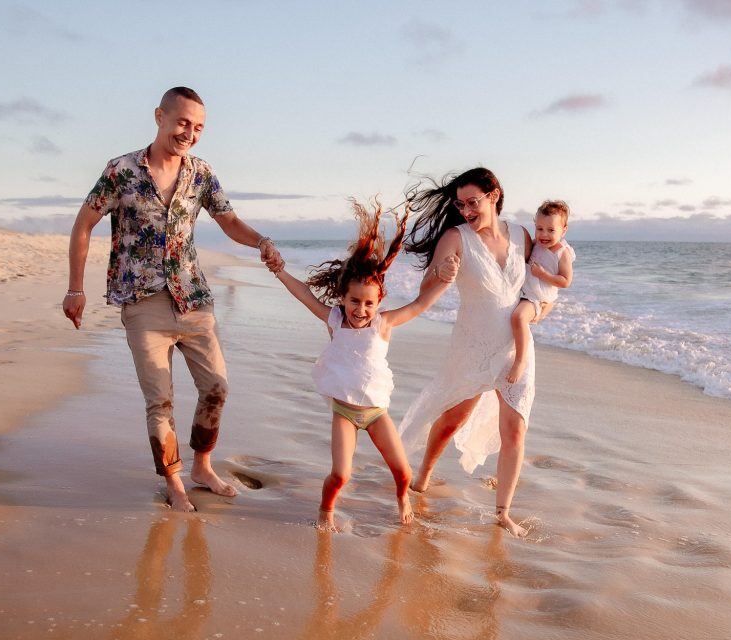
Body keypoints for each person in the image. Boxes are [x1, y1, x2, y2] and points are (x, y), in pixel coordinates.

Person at [62, 86, 284, 512]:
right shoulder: (121, 170)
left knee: (216, 387)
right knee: (159, 400)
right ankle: (174, 480)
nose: (190, 133)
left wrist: (262, 242)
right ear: (159, 116)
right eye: (183, 122)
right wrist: (76, 288)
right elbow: (83, 224)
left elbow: (229, 221)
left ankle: (202, 466)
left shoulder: (201, 173)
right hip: (143, 302)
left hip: (193, 299)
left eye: (198, 127)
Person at [273, 198, 458, 531]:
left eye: (369, 303)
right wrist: (279, 271)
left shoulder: (383, 324)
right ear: (342, 297)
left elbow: (419, 305)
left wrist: (444, 281)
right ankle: (326, 508)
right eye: (354, 301)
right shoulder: (333, 320)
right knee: (340, 474)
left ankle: (402, 498)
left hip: (376, 412)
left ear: (379, 302)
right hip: (344, 412)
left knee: (403, 472)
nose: (361, 309)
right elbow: (303, 294)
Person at [399, 167, 550, 537]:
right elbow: (426, 288)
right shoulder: (456, 237)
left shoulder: (522, 236)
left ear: (494, 195)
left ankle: (503, 513)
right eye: (461, 204)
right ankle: (423, 477)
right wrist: (443, 272)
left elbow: (539, 288)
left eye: (473, 202)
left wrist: (539, 310)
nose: (466, 210)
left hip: (515, 347)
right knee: (453, 418)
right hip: (472, 343)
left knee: (515, 429)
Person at [506, 200, 575, 383]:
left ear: (564, 230)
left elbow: (565, 281)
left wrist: (542, 274)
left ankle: (520, 361)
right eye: (539, 229)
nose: (544, 235)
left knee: (518, 318)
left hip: (536, 297)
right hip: (524, 291)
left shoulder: (562, 253)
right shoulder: (537, 243)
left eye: (551, 230)